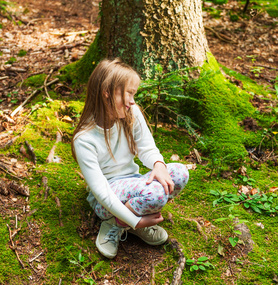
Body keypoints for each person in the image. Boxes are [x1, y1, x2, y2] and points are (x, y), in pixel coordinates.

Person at [71, 58, 189, 259]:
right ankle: (116, 223)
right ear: (107, 92)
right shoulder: (84, 139)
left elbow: (146, 148)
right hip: (106, 197)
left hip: (133, 182)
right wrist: (135, 222)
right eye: (129, 93)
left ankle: (133, 212)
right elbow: (102, 192)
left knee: (179, 173)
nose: (133, 101)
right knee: (156, 195)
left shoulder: (131, 113)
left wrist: (158, 165)